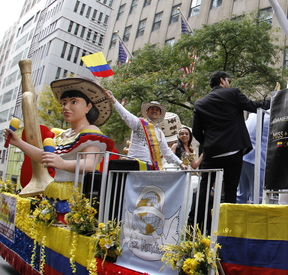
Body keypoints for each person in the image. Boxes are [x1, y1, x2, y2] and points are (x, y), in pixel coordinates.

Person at [3, 77, 114, 219]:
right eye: (64, 103)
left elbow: (90, 165)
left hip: (75, 195)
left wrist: (62, 164)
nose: (66, 107)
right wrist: (18, 142)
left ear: (88, 107)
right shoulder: (63, 135)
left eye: (73, 102)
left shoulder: (91, 132)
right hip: (54, 191)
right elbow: (45, 157)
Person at [191, 71, 270, 227]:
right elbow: (253, 106)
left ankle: (196, 226)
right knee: (231, 190)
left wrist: (209, 143)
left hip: (211, 153)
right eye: (228, 80)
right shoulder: (232, 93)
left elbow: (196, 131)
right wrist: (273, 101)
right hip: (233, 151)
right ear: (222, 80)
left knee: (204, 190)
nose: (229, 83)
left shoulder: (200, 103)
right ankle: (228, 228)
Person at [104, 90, 187, 170]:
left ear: (159, 115)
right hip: (135, 164)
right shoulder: (138, 123)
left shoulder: (160, 133)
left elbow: (166, 151)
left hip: (150, 166)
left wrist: (180, 163)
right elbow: (125, 115)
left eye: (157, 110)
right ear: (147, 111)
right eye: (152, 109)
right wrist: (113, 100)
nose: (155, 111)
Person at [237, 112, 269, 204]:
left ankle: (238, 217)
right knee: (257, 197)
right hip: (257, 159)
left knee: (240, 195)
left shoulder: (252, 115)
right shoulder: (272, 116)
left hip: (242, 156)